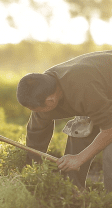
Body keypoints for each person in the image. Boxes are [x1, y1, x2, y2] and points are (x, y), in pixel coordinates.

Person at [16, 50, 112, 192]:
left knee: (110, 154)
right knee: (79, 130)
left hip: (99, 91)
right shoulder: (43, 89)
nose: (35, 113)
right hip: (100, 95)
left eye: (36, 109)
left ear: (51, 101)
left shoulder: (83, 87)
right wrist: (32, 172)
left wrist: (79, 158)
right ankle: (72, 191)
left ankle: (108, 200)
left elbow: (109, 129)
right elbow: (36, 138)